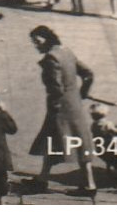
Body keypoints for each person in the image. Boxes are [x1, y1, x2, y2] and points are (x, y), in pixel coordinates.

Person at [25, 25, 97, 195]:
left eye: (38, 41)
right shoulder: (66, 51)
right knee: (80, 142)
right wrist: (83, 93)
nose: (36, 45)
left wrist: (55, 106)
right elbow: (88, 73)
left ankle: (43, 181)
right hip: (75, 104)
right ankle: (89, 184)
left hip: (60, 109)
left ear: (47, 39)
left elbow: (55, 88)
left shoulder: (51, 59)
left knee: (53, 141)